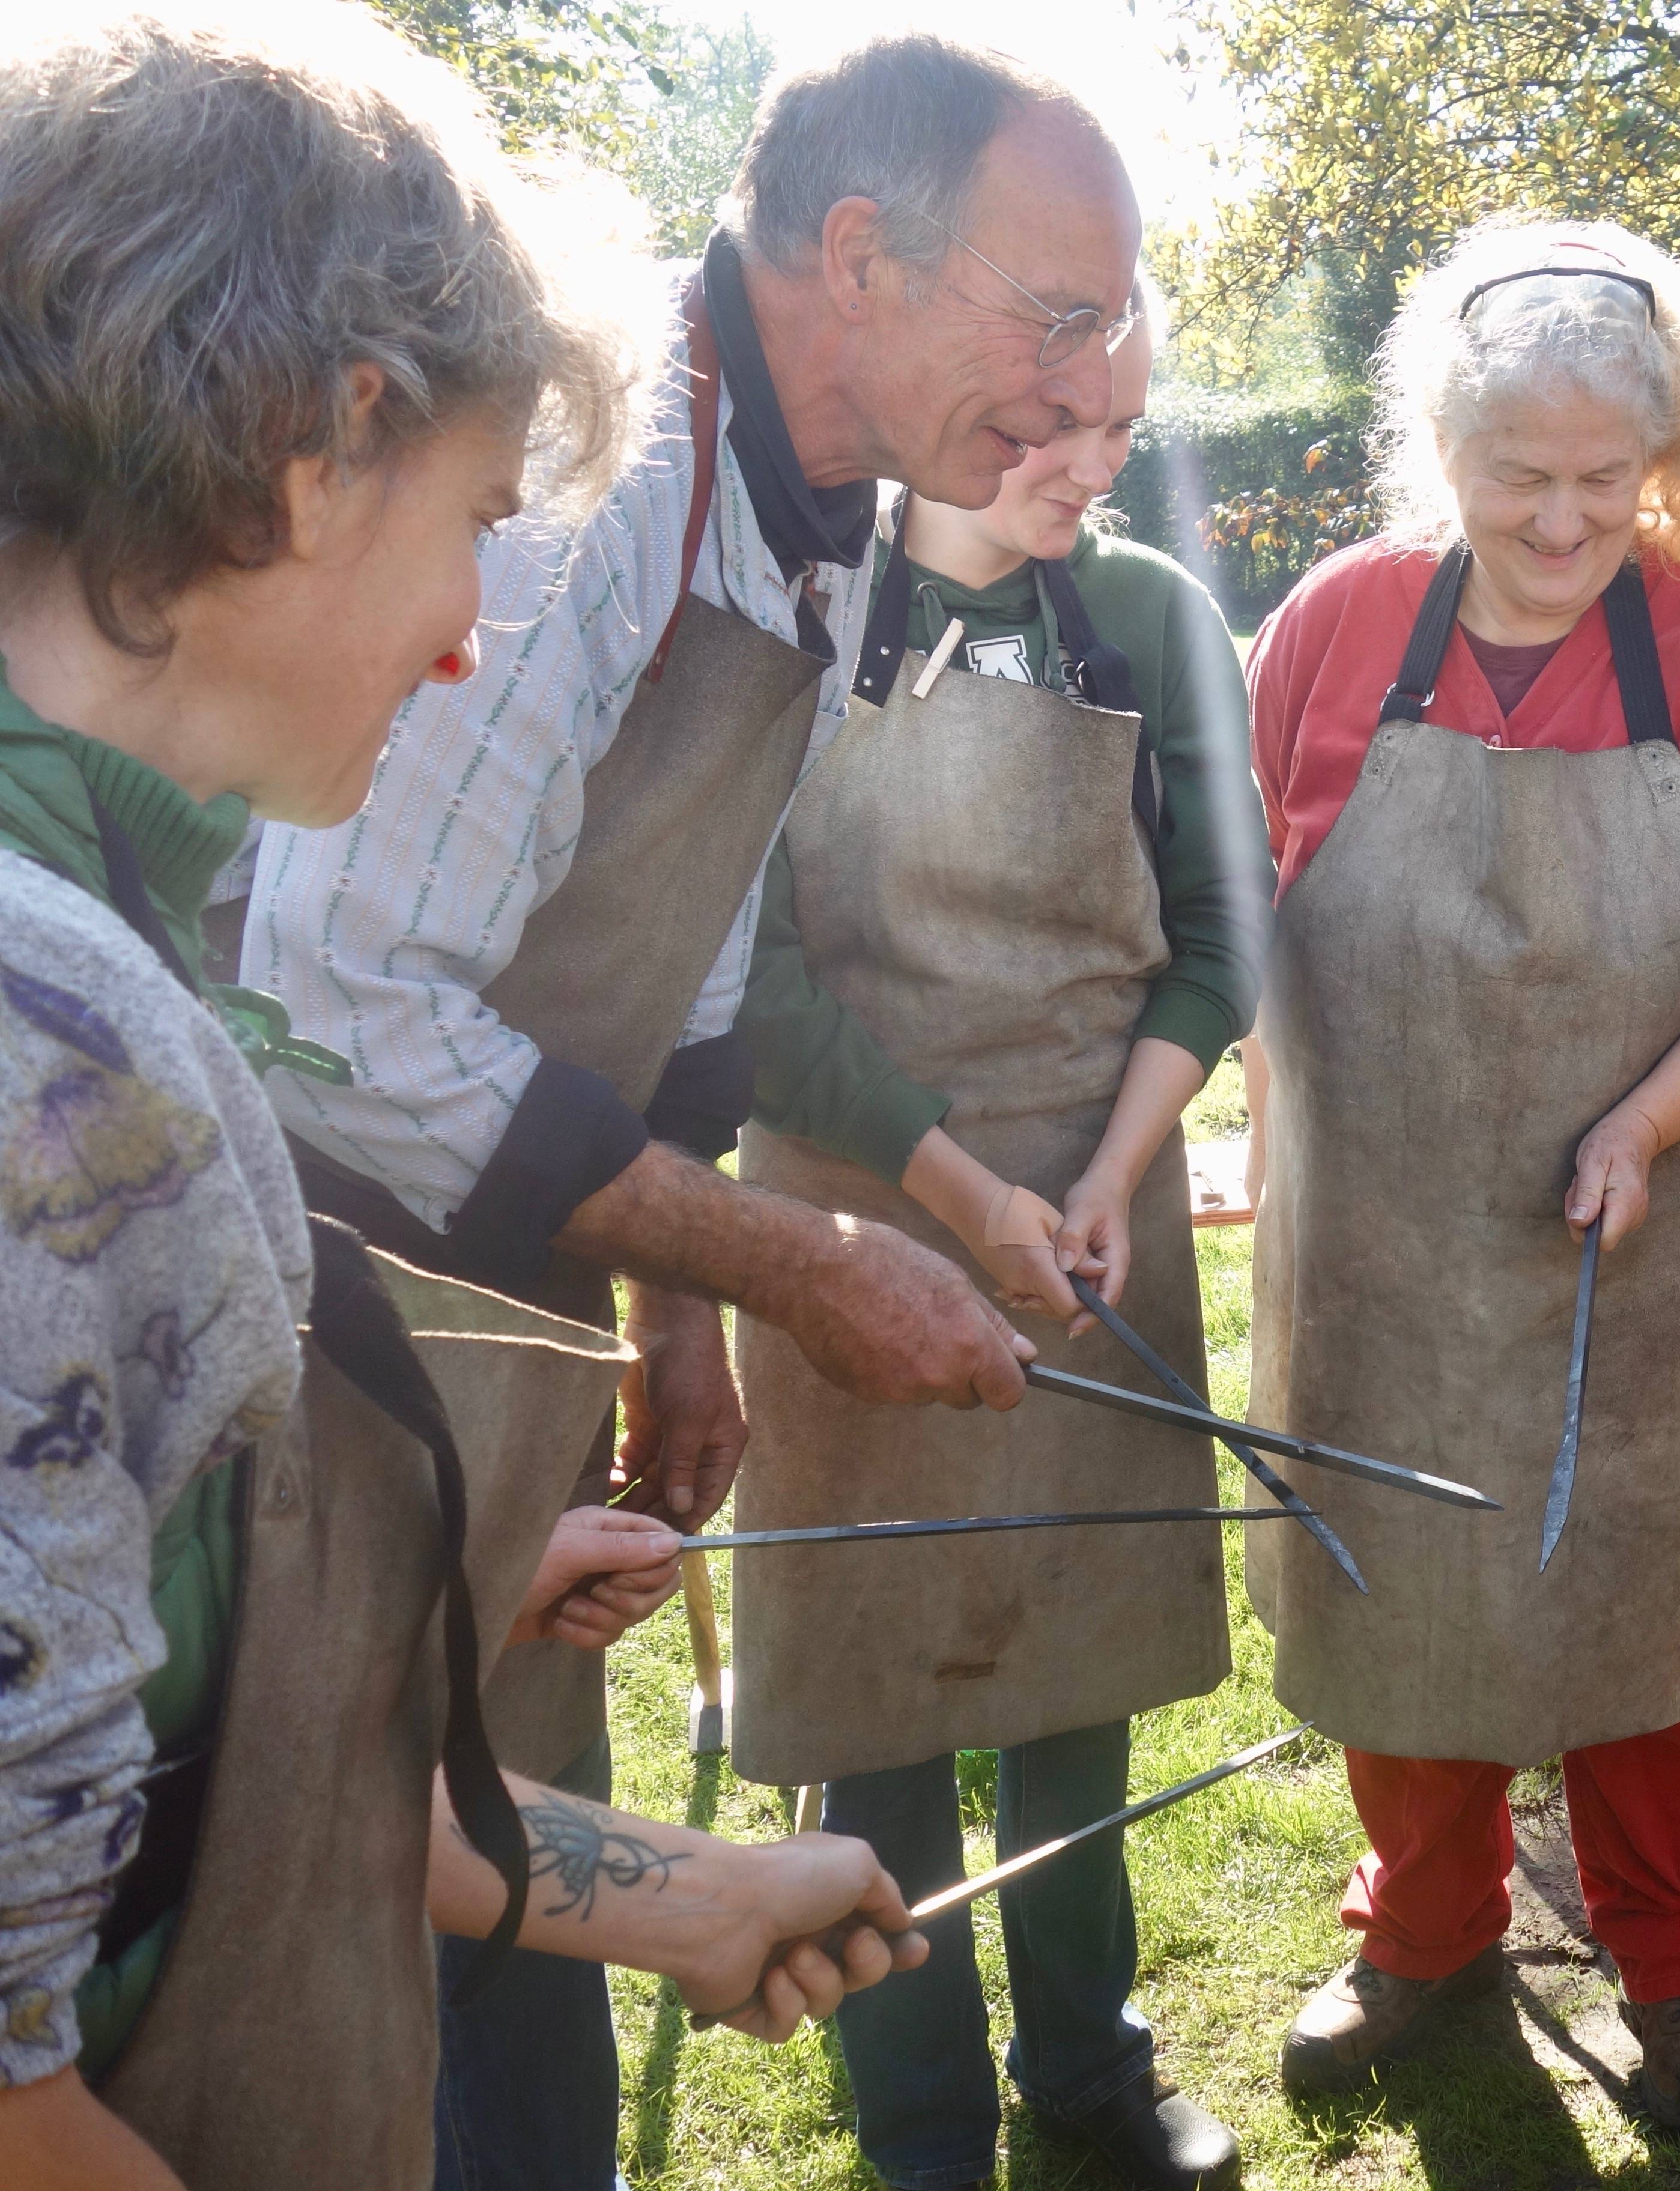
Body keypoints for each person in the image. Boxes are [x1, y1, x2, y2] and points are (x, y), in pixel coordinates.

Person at [0, 11, 920, 2186]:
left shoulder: (111, 957)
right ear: (325, 450)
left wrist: (676, 1884)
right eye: (473, 525)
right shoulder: (70, 1077)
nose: (459, 644)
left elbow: (136, 1756)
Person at [238, 32, 1144, 2187]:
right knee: (320, 1916)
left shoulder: (818, 511)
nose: (1086, 371)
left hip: (514, 1327)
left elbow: (703, 924)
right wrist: (790, 1253)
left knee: (508, 1861)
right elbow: (335, 1003)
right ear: (857, 252)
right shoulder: (585, 485)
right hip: (305, 1327)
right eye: (1057, 309)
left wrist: (676, 1305)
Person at [1242, 218, 1680, 2133]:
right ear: (1444, 451)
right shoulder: (1343, 624)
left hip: (1648, 1239)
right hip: (1388, 1250)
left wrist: (1643, 1120)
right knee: (1407, 1597)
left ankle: (1675, 1958)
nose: (1562, 519)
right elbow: (1240, 912)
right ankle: (1420, 1933)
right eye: (1522, 475)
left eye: (1611, 480)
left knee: (1644, 1613)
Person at [722, 283, 1267, 2190]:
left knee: (1079, 1670)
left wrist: (1114, 1177)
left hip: (1095, 1205)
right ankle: (922, 2119)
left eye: (1123, 436)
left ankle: (1091, 2074)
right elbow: (757, 978)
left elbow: (1220, 935)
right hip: (844, 1213)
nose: (1091, 472)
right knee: (876, 1695)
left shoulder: (1146, 617)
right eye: (1057, 432)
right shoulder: (804, 601)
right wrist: (955, 1199)